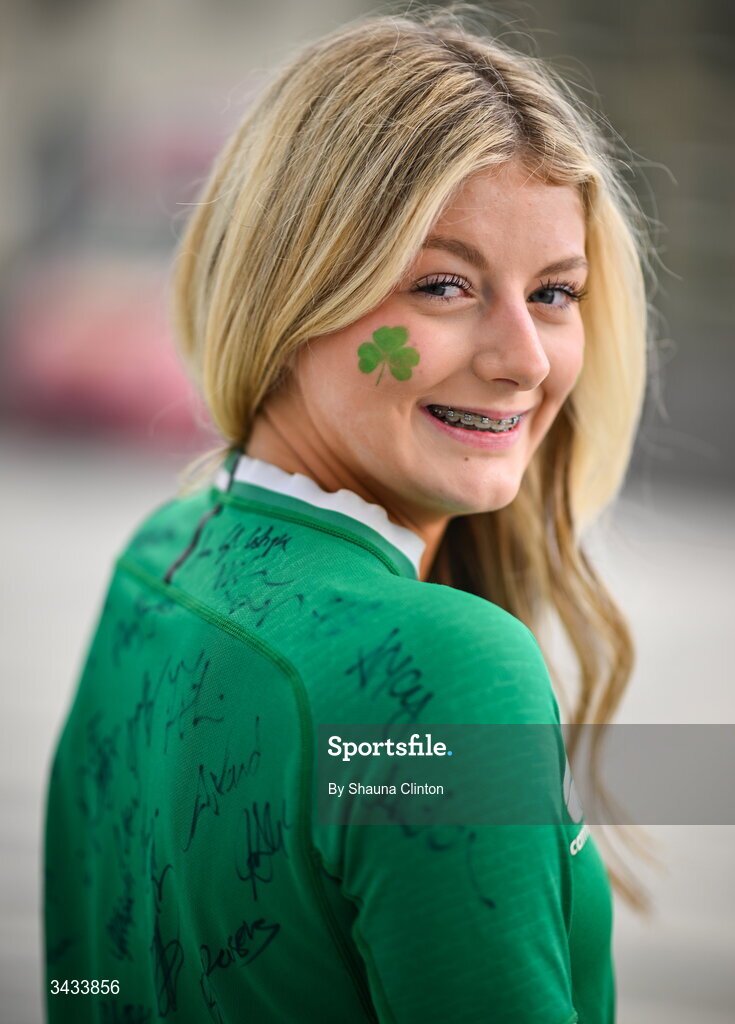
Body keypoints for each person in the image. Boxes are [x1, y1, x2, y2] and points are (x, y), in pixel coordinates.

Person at [43, 10, 651, 1023]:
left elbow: (84, 982)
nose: (525, 359)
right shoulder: (450, 672)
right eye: (444, 283)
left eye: (555, 292)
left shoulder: (154, 560)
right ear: (293, 289)